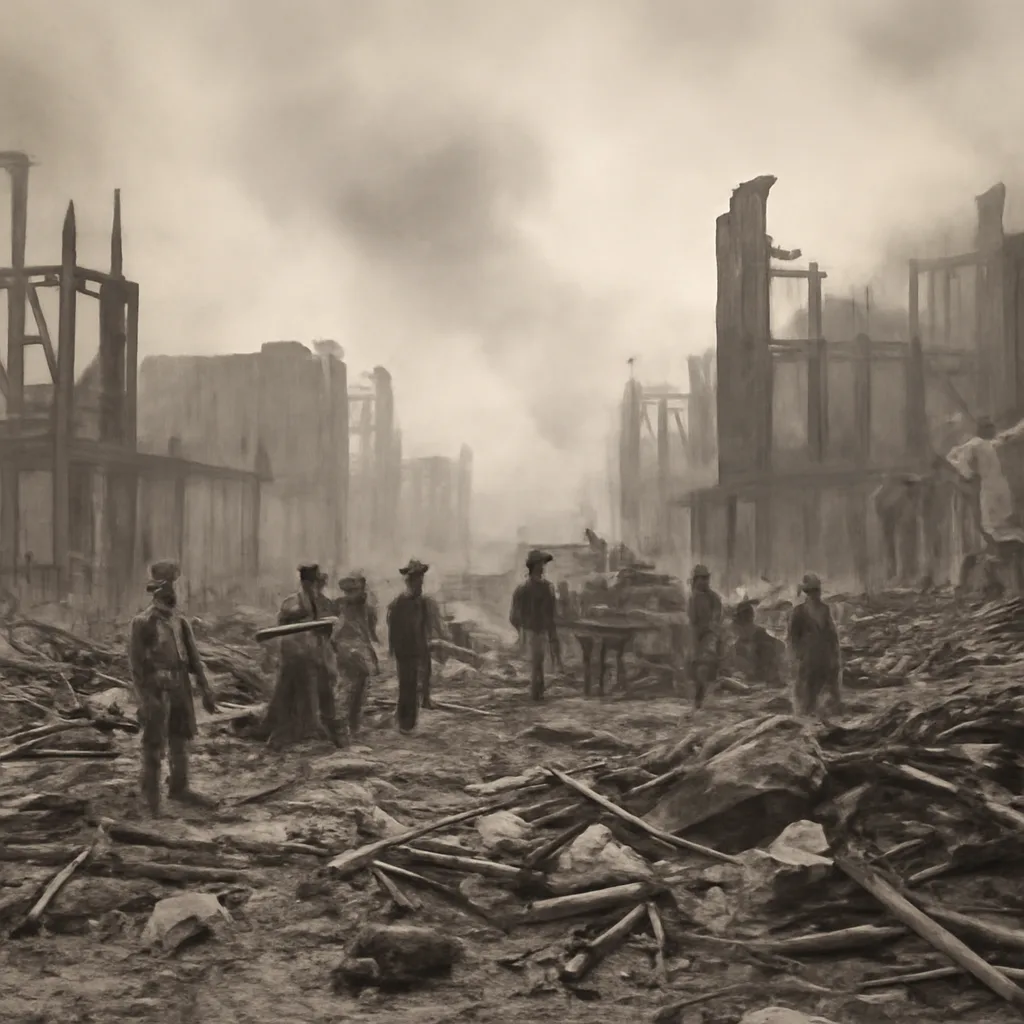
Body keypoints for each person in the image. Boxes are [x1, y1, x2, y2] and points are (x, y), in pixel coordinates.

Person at [128, 560, 218, 817]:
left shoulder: (180, 622)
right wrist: (145, 699)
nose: (171, 594)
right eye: (165, 589)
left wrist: (205, 689)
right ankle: (151, 800)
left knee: (180, 739)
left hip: (180, 687)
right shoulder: (142, 623)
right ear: (155, 592)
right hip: (156, 689)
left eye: (172, 588)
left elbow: (194, 658)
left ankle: (180, 788)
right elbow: (136, 666)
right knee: (154, 744)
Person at [263, 562, 345, 749]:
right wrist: (298, 617)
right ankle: (287, 735)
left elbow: (326, 628)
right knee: (295, 696)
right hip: (296, 656)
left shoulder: (319, 601)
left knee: (323, 692)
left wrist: (325, 629)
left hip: (315, 654)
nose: (313, 586)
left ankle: (320, 729)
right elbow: (282, 626)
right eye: (310, 582)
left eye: (315, 583)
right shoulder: (292, 602)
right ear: (304, 582)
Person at [947, 416, 1024, 593]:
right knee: (999, 526)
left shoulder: (977, 445)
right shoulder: (984, 445)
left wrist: (954, 460)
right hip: (999, 489)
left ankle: (1003, 561)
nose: (993, 430)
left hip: (992, 491)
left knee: (995, 527)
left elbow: (966, 471)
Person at [387, 559, 443, 733]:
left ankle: (413, 715)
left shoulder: (423, 602)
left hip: (420, 647)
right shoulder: (399, 604)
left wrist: (428, 641)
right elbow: (393, 629)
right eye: (416, 580)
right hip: (405, 650)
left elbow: (427, 625)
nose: (419, 584)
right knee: (407, 685)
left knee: (422, 679)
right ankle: (405, 723)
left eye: (421, 580)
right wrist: (395, 650)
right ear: (409, 581)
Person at [787, 573, 842, 718]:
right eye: (811, 591)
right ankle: (804, 716)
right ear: (807, 593)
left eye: (816, 590)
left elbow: (832, 635)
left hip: (824, 657)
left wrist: (835, 655)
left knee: (829, 692)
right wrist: (796, 658)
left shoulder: (825, 609)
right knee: (806, 695)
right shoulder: (798, 612)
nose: (815, 594)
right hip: (807, 659)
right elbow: (792, 638)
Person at [509, 549, 561, 701]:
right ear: (533, 567)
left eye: (543, 564)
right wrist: (522, 629)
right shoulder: (523, 589)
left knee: (539, 660)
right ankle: (536, 691)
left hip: (541, 629)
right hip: (532, 629)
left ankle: (538, 689)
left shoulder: (547, 587)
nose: (542, 567)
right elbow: (514, 614)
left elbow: (551, 611)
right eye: (540, 564)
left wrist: (551, 630)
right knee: (536, 660)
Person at [332, 573, 379, 736]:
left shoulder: (368, 608)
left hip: (360, 648)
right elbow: (332, 630)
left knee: (361, 685)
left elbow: (368, 633)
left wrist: (371, 653)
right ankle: (340, 724)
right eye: (348, 591)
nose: (351, 594)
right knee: (346, 686)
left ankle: (353, 724)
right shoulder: (339, 605)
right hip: (344, 647)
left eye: (355, 590)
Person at [872, 474, 921, 584]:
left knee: (903, 544)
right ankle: (896, 574)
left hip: (900, 523)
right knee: (894, 545)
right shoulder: (885, 494)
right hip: (893, 523)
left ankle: (903, 574)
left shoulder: (899, 493)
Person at [687, 564, 722, 709]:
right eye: (700, 579)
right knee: (695, 667)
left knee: (705, 665)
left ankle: (704, 698)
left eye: (705, 578)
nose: (703, 582)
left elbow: (716, 616)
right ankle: (699, 697)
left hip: (709, 635)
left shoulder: (713, 597)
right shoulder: (693, 597)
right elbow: (691, 619)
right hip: (696, 636)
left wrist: (711, 629)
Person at [731, 599, 783, 686]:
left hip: (763, 676)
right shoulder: (739, 642)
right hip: (751, 678)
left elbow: (780, 646)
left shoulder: (760, 634)